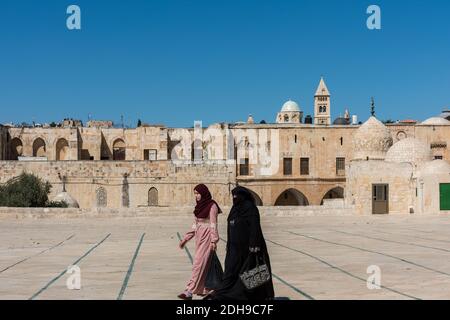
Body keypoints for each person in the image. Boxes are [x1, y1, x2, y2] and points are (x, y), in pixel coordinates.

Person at [206, 186, 274, 300]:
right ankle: (225, 293)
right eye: (233, 196)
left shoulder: (250, 208)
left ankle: (257, 295)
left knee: (252, 271)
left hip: (249, 249)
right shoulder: (235, 208)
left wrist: (254, 246)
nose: (234, 198)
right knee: (231, 271)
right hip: (234, 248)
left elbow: (255, 228)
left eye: (237, 195)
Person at [178, 184, 222, 300]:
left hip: (207, 237)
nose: (196, 196)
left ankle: (189, 291)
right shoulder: (199, 207)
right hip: (199, 236)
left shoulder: (212, 206)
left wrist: (214, 240)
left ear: (204, 193)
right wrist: (186, 239)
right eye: (195, 194)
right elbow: (195, 224)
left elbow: (213, 224)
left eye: (198, 193)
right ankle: (208, 290)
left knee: (198, 264)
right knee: (203, 265)